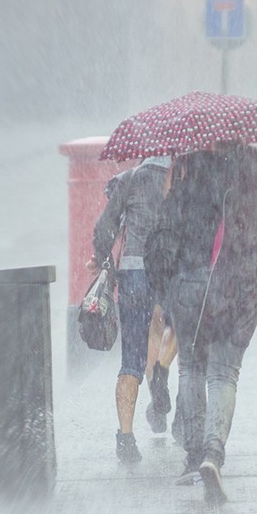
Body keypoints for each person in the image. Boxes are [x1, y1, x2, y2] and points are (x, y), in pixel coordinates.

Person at [145, 141, 257, 504]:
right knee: (224, 373)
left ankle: (193, 455)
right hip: (235, 284)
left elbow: (166, 229)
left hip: (188, 283)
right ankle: (213, 454)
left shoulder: (188, 168)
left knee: (192, 370)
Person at [89, 156, 171, 463]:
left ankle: (125, 437)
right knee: (168, 330)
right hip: (169, 271)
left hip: (134, 272)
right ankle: (161, 370)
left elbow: (105, 226)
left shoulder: (131, 178)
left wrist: (101, 258)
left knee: (131, 360)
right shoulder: (182, 175)